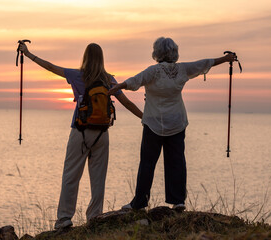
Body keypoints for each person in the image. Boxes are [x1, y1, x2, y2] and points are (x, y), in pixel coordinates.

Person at [18, 42, 143, 229]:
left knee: (71, 175)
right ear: (102, 59)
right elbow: (126, 103)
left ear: (85, 57)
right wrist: (146, 118)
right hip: (102, 134)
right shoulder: (109, 79)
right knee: (98, 178)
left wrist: (28, 54)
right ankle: (94, 216)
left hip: (80, 132)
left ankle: (64, 218)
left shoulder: (78, 75)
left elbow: (51, 68)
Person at [108, 37, 237, 211]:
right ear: (174, 52)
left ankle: (139, 202)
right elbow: (205, 63)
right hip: (176, 122)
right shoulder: (182, 69)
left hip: (154, 123)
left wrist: (117, 87)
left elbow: (134, 81)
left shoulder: (153, 71)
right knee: (176, 161)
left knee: (147, 163)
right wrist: (226, 59)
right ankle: (178, 201)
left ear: (156, 53)